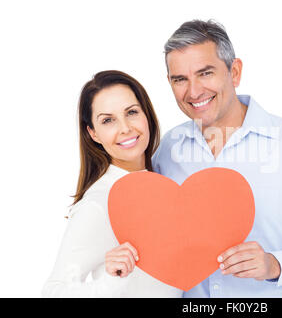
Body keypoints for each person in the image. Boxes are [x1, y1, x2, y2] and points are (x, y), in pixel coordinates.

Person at [152, 20, 282, 297]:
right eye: (180, 79)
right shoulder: (167, 150)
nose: (193, 91)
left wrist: (275, 264)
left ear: (234, 72)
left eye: (205, 73)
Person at [42, 70, 182, 297]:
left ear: (147, 114)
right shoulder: (98, 204)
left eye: (132, 112)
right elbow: (53, 291)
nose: (125, 128)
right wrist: (110, 280)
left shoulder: (165, 184)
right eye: (108, 120)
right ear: (93, 133)